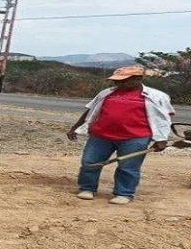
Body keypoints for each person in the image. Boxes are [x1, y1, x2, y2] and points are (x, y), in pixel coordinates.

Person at [67, 66, 174, 205]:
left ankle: (124, 193)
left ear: (138, 79)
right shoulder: (106, 93)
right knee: (90, 162)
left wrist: (161, 139)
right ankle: (87, 188)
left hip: (135, 138)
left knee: (128, 167)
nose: (118, 84)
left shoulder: (157, 97)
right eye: (116, 81)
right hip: (101, 136)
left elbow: (163, 119)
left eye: (123, 81)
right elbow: (90, 112)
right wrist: (74, 128)